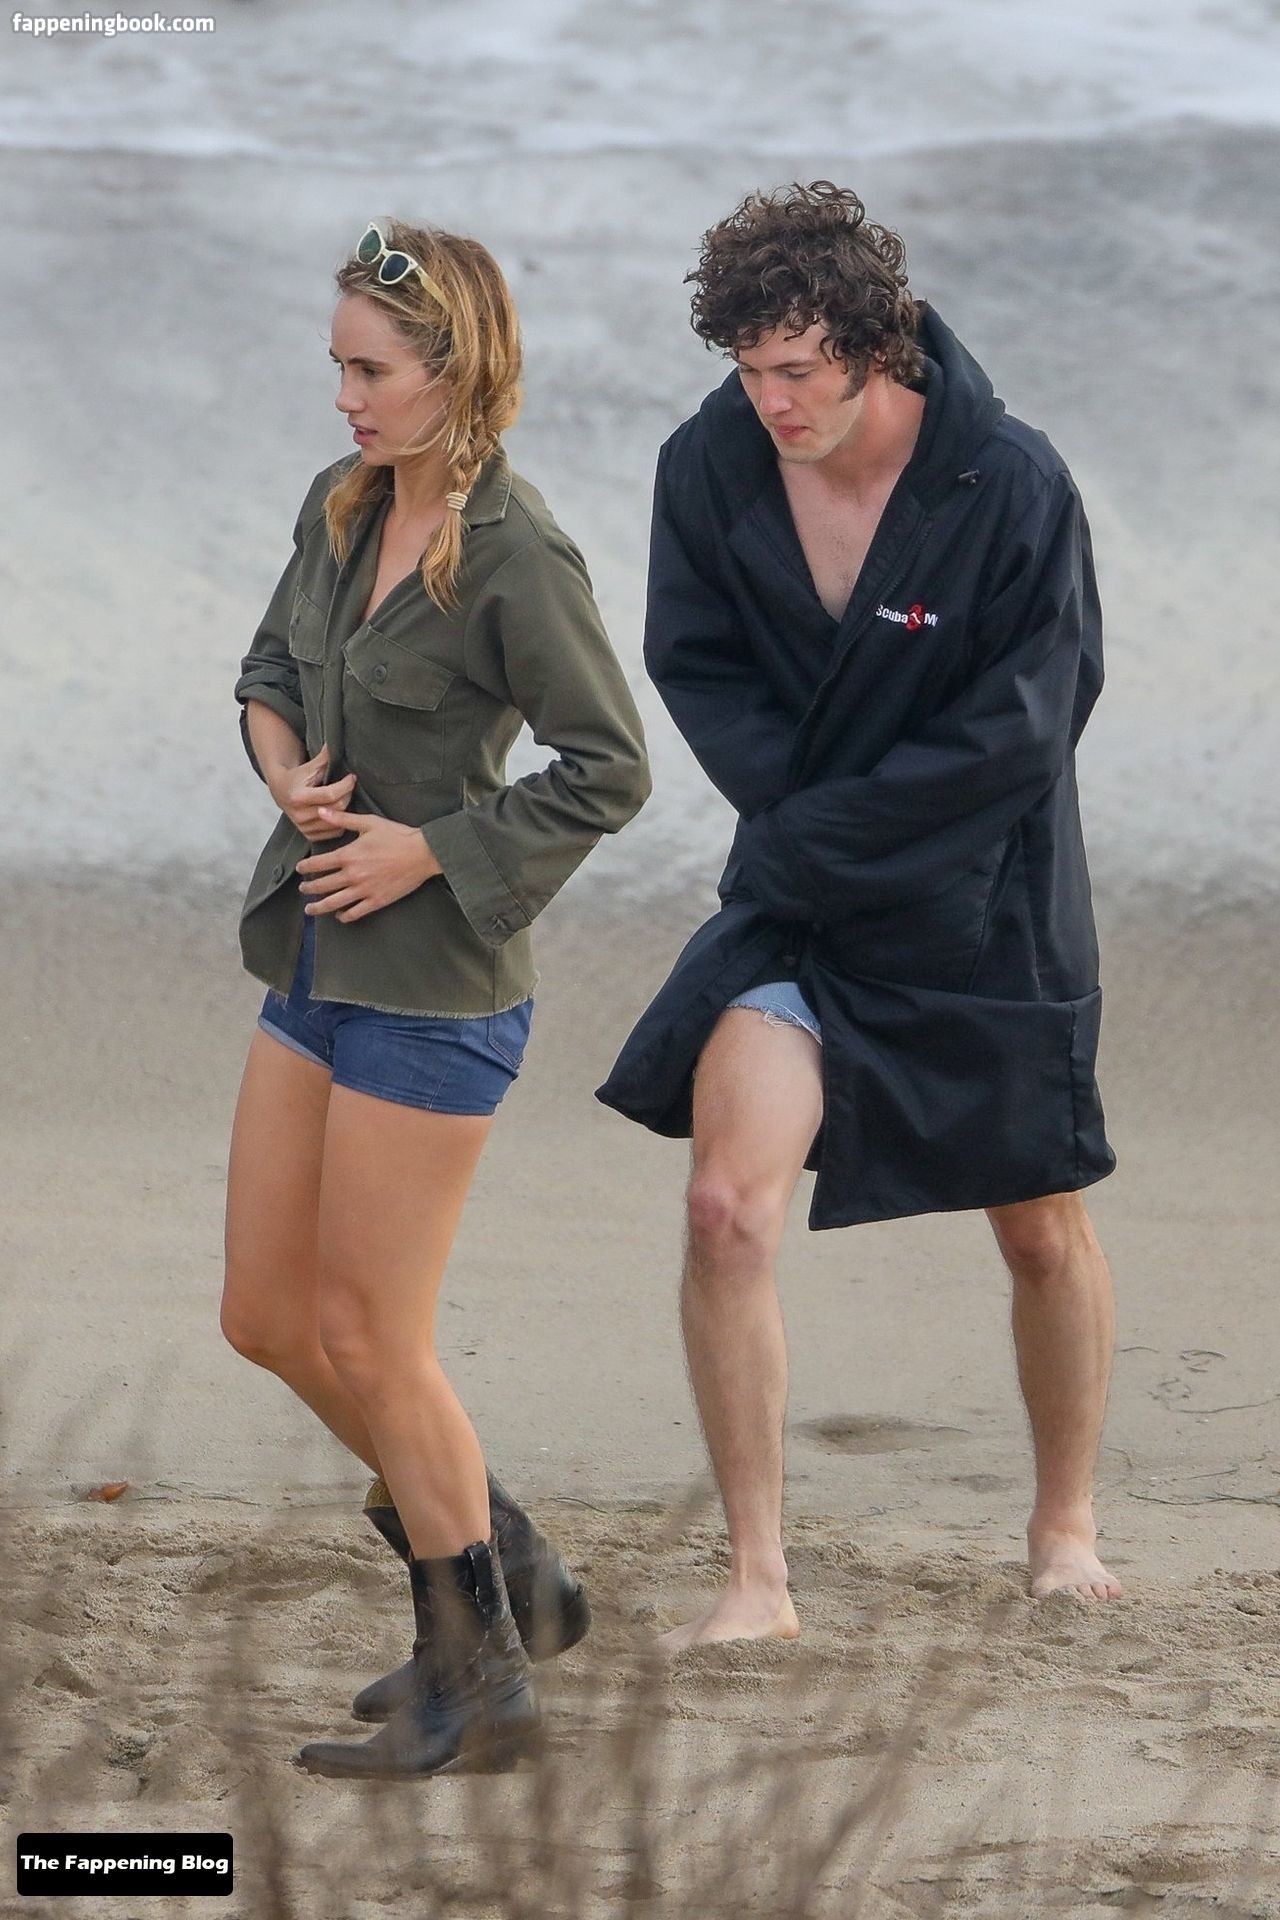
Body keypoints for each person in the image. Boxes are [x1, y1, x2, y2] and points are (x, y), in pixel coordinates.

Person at [597, 181, 1119, 1649]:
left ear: (878, 347)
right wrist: (808, 840)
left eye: (798, 371)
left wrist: (820, 833)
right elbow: (698, 665)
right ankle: (758, 1580)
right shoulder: (709, 464)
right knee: (724, 1210)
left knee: (1039, 1229)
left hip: (985, 903)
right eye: (747, 369)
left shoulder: (1009, 482)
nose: (771, 403)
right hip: (806, 910)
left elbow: (1029, 725)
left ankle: (1064, 1525)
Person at [223, 218, 650, 1773]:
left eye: (370, 371)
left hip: (436, 996)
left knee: (371, 1335)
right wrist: (288, 771)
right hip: (315, 963)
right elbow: (270, 674)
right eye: (337, 366)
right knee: (268, 1319)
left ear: (453, 371)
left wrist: (432, 850)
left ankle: (481, 1680)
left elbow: (610, 769)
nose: (344, 397)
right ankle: (501, 1556)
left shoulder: (519, 556)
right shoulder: (342, 508)